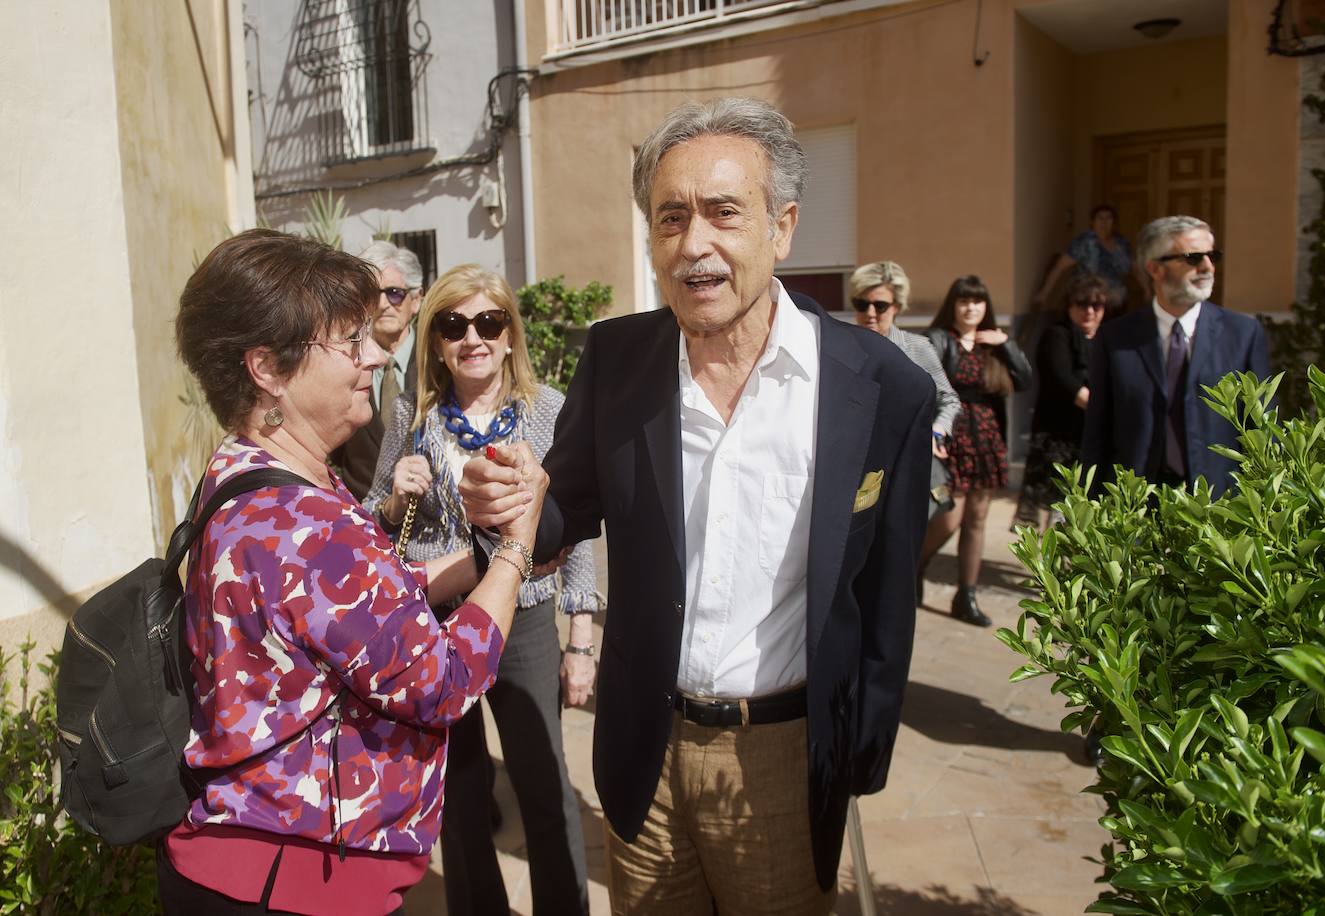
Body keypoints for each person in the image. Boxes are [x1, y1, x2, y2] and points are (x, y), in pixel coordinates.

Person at [460, 97, 934, 914]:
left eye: (723, 213)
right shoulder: (619, 358)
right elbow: (566, 509)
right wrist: (512, 504)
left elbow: (889, 589)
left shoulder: (883, 386)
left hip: (783, 756)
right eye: (670, 218)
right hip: (645, 743)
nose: (695, 245)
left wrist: (863, 747)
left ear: (783, 228)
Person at [163, 229, 546, 915]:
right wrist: (518, 545)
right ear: (267, 369)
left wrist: (474, 557)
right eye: (349, 343)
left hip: (255, 863)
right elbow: (444, 683)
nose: (375, 355)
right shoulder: (303, 524)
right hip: (294, 884)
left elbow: (346, 616)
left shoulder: (248, 474)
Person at [364, 264, 599, 916]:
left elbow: (574, 529)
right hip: (434, 619)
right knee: (459, 798)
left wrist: (580, 637)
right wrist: (390, 500)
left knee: (542, 784)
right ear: (436, 340)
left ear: (508, 334)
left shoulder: (546, 410)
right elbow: (374, 511)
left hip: (520, 621)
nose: (473, 337)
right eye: (454, 324)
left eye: (488, 322)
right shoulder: (413, 411)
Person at [1082, 215, 1269, 493]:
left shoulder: (1243, 334)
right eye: (1193, 258)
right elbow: (1098, 429)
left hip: (1219, 504)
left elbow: (1262, 428)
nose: (1207, 266)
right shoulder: (1115, 339)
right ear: (1155, 268)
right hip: (1137, 505)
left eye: (1212, 256)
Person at [920, 276, 1032, 627]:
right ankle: (912, 568)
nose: (971, 307)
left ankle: (966, 594)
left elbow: (1025, 380)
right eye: (964, 301)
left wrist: (1006, 345)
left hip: (986, 440)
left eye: (978, 301)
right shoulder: (940, 340)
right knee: (948, 519)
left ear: (986, 307)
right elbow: (923, 385)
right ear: (953, 305)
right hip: (951, 439)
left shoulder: (994, 343)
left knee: (978, 521)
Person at [329, 240, 424, 499]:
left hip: (429, 525)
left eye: (394, 293)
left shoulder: (437, 364)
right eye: (372, 293)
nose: (383, 304)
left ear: (415, 301)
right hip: (363, 519)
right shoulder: (345, 363)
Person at [850, 259, 961, 479]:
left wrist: (936, 432)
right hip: (856, 462)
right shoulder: (844, 346)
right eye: (862, 305)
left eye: (880, 306)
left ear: (897, 307)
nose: (870, 313)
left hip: (905, 463)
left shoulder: (917, 348)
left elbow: (949, 400)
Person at [1013, 273, 1108, 530]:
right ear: (1069, 306)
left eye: (1096, 305)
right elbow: (1065, 381)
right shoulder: (1056, 336)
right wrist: (1106, 411)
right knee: (1058, 508)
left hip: (1093, 437)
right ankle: (1052, 566)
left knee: (1088, 508)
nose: (1089, 311)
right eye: (1081, 304)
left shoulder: (1108, 339)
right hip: (1058, 436)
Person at [1033, 204, 1133, 311]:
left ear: (1114, 222)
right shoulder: (1084, 242)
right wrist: (1043, 294)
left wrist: (1147, 291)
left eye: (1109, 218)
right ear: (1093, 222)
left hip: (1115, 299)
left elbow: (1134, 267)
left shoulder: (1121, 243)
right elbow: (1059, 267)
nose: (1104, 222)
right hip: (1088, 298)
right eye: (1100, 218)